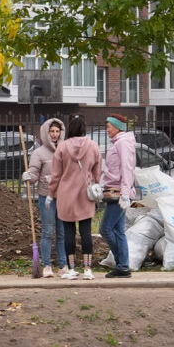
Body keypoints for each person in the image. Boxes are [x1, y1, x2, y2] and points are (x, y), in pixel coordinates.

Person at [48, 115, 102, 281]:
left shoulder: (62, 147)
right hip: (85, 194)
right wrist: (96, 182)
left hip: (66, 195)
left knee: (69, 233)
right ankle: (87, 269)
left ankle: (71, 269)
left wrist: (51, 194)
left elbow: (56, 174)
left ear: (69, 129)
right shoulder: (93, 145)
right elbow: (98, 169)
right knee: (86, 232)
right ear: (84, 128)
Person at [23, 117, 67, 277]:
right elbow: (34, 173)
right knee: (48, 231)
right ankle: (47, 265)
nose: (55, 134)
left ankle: (64, 265)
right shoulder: (38, 153)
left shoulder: (65, 150)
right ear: (46, 133)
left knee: (62, 232)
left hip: (63, 197)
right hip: (45, 197)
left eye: (57, 131)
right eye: (52, 131)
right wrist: (29, 176)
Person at [100, 114, 136, 278]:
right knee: (118, 231)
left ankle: (122, 264)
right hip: (114, 190)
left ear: (117, 127)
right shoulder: (119, 143)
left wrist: (125, 194)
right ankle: (123, 266)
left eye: (109, 126)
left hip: (119, 193)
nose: (107, 129)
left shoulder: (122, 143)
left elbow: (126, 168)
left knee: (105, 229)